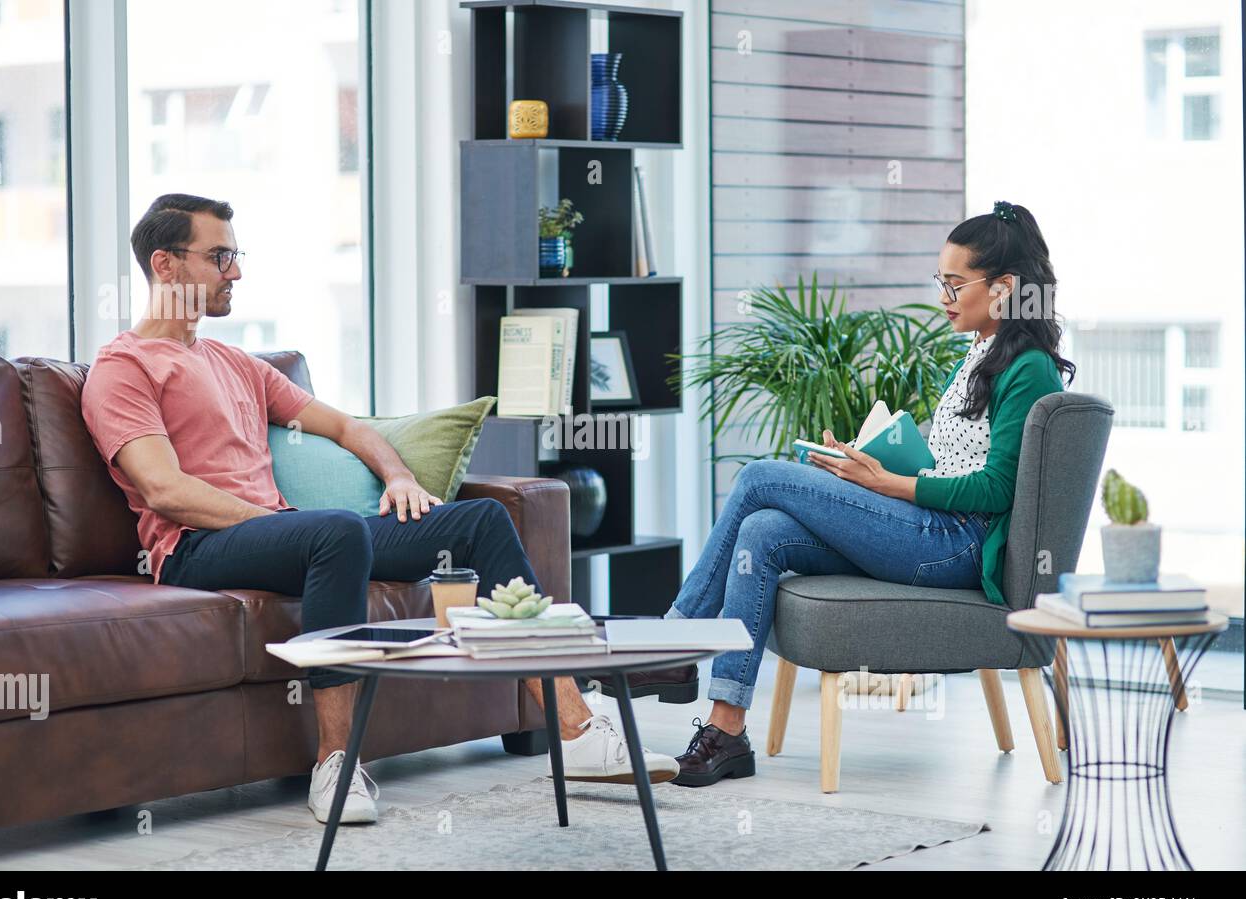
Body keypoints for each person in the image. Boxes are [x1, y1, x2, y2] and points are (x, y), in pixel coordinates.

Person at [81, 193, 678, 824]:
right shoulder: (124, 368)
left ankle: (575, 730)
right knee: (334, 533)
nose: (236, 271)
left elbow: (345, 427)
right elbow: (165, 490)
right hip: (195, 548)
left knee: (478, 520)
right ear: (165, 266)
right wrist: (280, 524)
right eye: (220, 256)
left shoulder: (236, 363)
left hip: (286, 535)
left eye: (237, 255)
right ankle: (337, 764)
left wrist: (397, 476)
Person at [669, 201, 1077, 787]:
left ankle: (677, 642)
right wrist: (872, 462)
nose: (944, 295)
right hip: (926, 526)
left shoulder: (1028, 367)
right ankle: (726, 729)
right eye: (942, 281)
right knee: (762, 532)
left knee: (760, 477)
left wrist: (883, 484)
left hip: (956, 545)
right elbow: (951, 463)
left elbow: (995, 488)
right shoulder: (981, 353)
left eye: (955, 283)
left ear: (1005, 288)